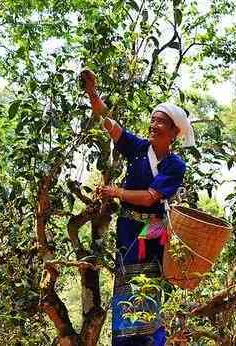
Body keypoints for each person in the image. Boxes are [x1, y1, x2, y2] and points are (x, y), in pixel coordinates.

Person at [81, 70, 195, 345]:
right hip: (127, 228)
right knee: (125, 286)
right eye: (153, 120)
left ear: (174, 132)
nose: (154, 125)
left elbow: (150, 197)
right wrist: (92, 93)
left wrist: (116, 192)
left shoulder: (175, 165)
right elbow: (109, 123)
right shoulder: (138, 147)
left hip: (153, 234)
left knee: (148, 286)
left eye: (161, 123)